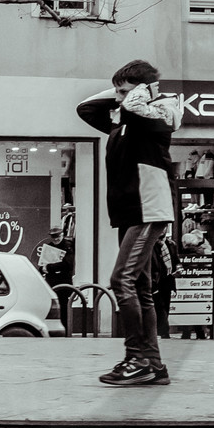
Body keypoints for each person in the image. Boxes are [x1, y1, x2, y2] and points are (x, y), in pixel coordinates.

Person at [77, 58, 181, 386]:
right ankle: (153, 363)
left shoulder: (156, 118)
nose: (119, 98)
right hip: (129, 212)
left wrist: (146, 93)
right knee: (140, 287)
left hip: (148, 209)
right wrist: (123, 92)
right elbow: (86, 108)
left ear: (143, 92)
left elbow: (142, 106)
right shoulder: (121, 121)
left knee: (121, 280)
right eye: (117, 92)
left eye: (125, 92)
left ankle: (137, 358)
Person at [36, 228, 76, 328]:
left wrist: (49, 267)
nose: (56, 239)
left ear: (62, 235)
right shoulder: (49, 247)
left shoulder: (68, 246)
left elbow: (68, 264)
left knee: (63, 307)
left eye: (57, 236)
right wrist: (42, 269)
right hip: (52, 282)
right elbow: (42, 265)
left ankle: (66, 330)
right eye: (53, 237)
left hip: (63, 282)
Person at [153, 231, 179, 340]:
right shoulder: (151, 245)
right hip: (155, 280)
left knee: (166, 305)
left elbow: (176, 260)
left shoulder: (171, 244)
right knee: (159, 306)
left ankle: (163, 332)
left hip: (168, 279)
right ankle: (163, 332)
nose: (162, 230)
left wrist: (178, 268)